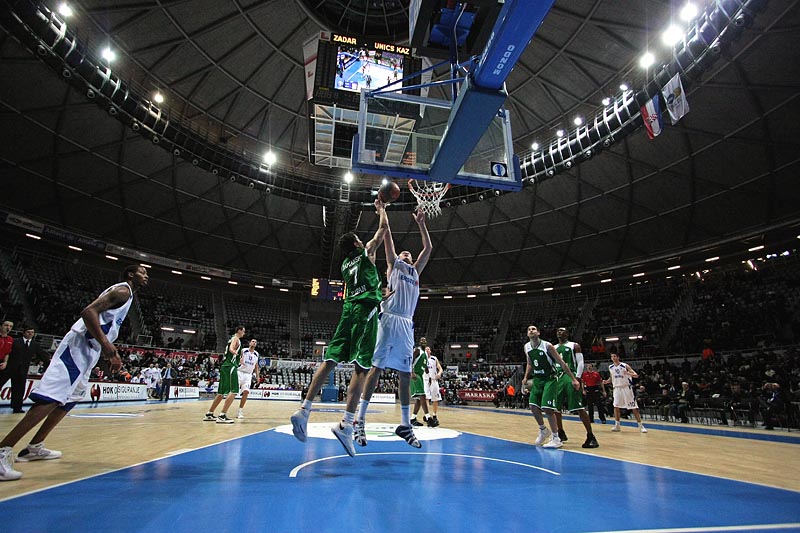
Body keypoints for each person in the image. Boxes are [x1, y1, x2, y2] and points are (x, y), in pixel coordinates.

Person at [0, 265, 148, 482]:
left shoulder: (128, 295)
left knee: (69, 400)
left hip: (91, 349)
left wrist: (106, 351)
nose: (146, 276)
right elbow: (88, 312)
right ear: (130, 274)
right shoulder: (123, 291)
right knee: (52, 399)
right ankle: (4, 449)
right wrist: (107, 346)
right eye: (143, 272)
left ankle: (35, 446)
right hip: (78, 345)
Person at [290, 199, 388, 456]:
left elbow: (365, 282)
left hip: (348, 311)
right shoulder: (366, 252)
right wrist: (382, 209)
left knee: (330, 358)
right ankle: (346, 425)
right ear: (356, 243)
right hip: (365, 312)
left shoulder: (345, 266)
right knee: (362, 368)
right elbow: (383, 231)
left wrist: (379, 294)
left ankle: (304, 410)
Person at [356, 208, 432, 448]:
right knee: (376, 369)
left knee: (405, 374)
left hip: (407, 324)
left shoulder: (415, 271)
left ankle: (405, 425)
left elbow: (428, 249)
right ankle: (359, 419)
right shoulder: (394, 265)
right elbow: (387, 234)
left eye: (410, 253)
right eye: (404, 252)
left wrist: (421, 223)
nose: (407, 253)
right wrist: (383, 211)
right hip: (389, 319)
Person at [521, 325, 580, 449]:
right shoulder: (526, 347)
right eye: (529, 329)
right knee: (532, 406)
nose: (531, 330)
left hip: (550, 378)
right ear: (527, 334)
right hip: (537, 379)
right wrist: (526, 377)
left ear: (538, 332)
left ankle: (556, 437)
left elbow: (562, 363)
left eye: (533, 329)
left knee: (547, 409)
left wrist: (573, 379)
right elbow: (530, 363)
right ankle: (543, 430)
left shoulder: (547, 346)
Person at [553, 327, 598, 448]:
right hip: (558, 378)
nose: (559, 332)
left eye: (562, 330)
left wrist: (577, 378)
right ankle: (560, 432)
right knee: (555, 408)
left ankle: (591, 436)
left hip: (570, 376)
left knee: (579, 407)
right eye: (558, 330)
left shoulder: (574, 345)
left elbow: (581, 363)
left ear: (567, 333)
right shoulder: (553, 347)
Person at [3, 326, 50, 413]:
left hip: (22, 370)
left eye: (32, 332)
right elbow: (7, 352)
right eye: (28, 332)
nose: (30, 334)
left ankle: (17, 408)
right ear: (24, 332)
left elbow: (43, 355)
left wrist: (49, 362)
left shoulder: (34, 344)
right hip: (9, 368)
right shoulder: (16, 341)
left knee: (19, 389)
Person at [203, 326, 245, 424]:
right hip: (230, 366)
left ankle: (209, 413)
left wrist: (239, 358)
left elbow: (231, 349)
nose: (244, 333)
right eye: (243, 331)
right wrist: (235, 352)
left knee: (221, 392)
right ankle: (222, 415)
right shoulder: (236, 339)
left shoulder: (231, 339)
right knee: (234, 391)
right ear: (239, 331)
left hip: (225, 366)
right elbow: (231, 348)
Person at [603, 350, 647, 433]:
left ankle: (641, 425)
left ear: (618, 357)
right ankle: (617, 425)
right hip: (616, 388)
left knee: (634, 407)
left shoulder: (625, 365)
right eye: (612, 356)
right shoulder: (610, 367)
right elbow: (612, 377)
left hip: (626, 388)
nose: (613, 358)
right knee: (616, 406)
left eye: (615, 356)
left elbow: (636, 375)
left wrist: (627, 373)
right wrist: (606, 381)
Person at [410, 339, 432, 427]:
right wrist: (411, 372)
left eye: (425, 340)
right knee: (422, 396)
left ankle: (413, 418)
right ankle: (428, 418)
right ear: (419, 343)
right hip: (415, 374)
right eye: (421, 340)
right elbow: (411, 359)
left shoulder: (425, 354)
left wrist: (429, 376)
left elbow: (425, 366)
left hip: (420, 375)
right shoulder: (417, 350)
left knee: (419, 399)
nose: (423, 341)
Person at [237, 338, 259, 419]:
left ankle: (240, 411)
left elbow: (256, 366)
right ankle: (224, 411)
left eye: (255, 342)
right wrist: (239, 360)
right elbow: (236, 357)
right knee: (233, 392)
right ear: (250, 343)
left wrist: (257, 376)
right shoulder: (244, 350)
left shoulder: (256, 354)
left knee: (246, 392)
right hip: (239, 372)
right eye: (253, 341)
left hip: (248, 375)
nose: (254, 343)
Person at [425, 348, 444, 426]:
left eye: (428, 349)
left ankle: (434, 415)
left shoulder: (434, 358)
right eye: (425, 349)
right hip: (425, 380)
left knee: (435, 399)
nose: (427, 350)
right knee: (426, 398)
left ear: (430, 351)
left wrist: (439, 374)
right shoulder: (422, 359)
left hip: (433, 380)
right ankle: (428, 416)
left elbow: (440, 369)